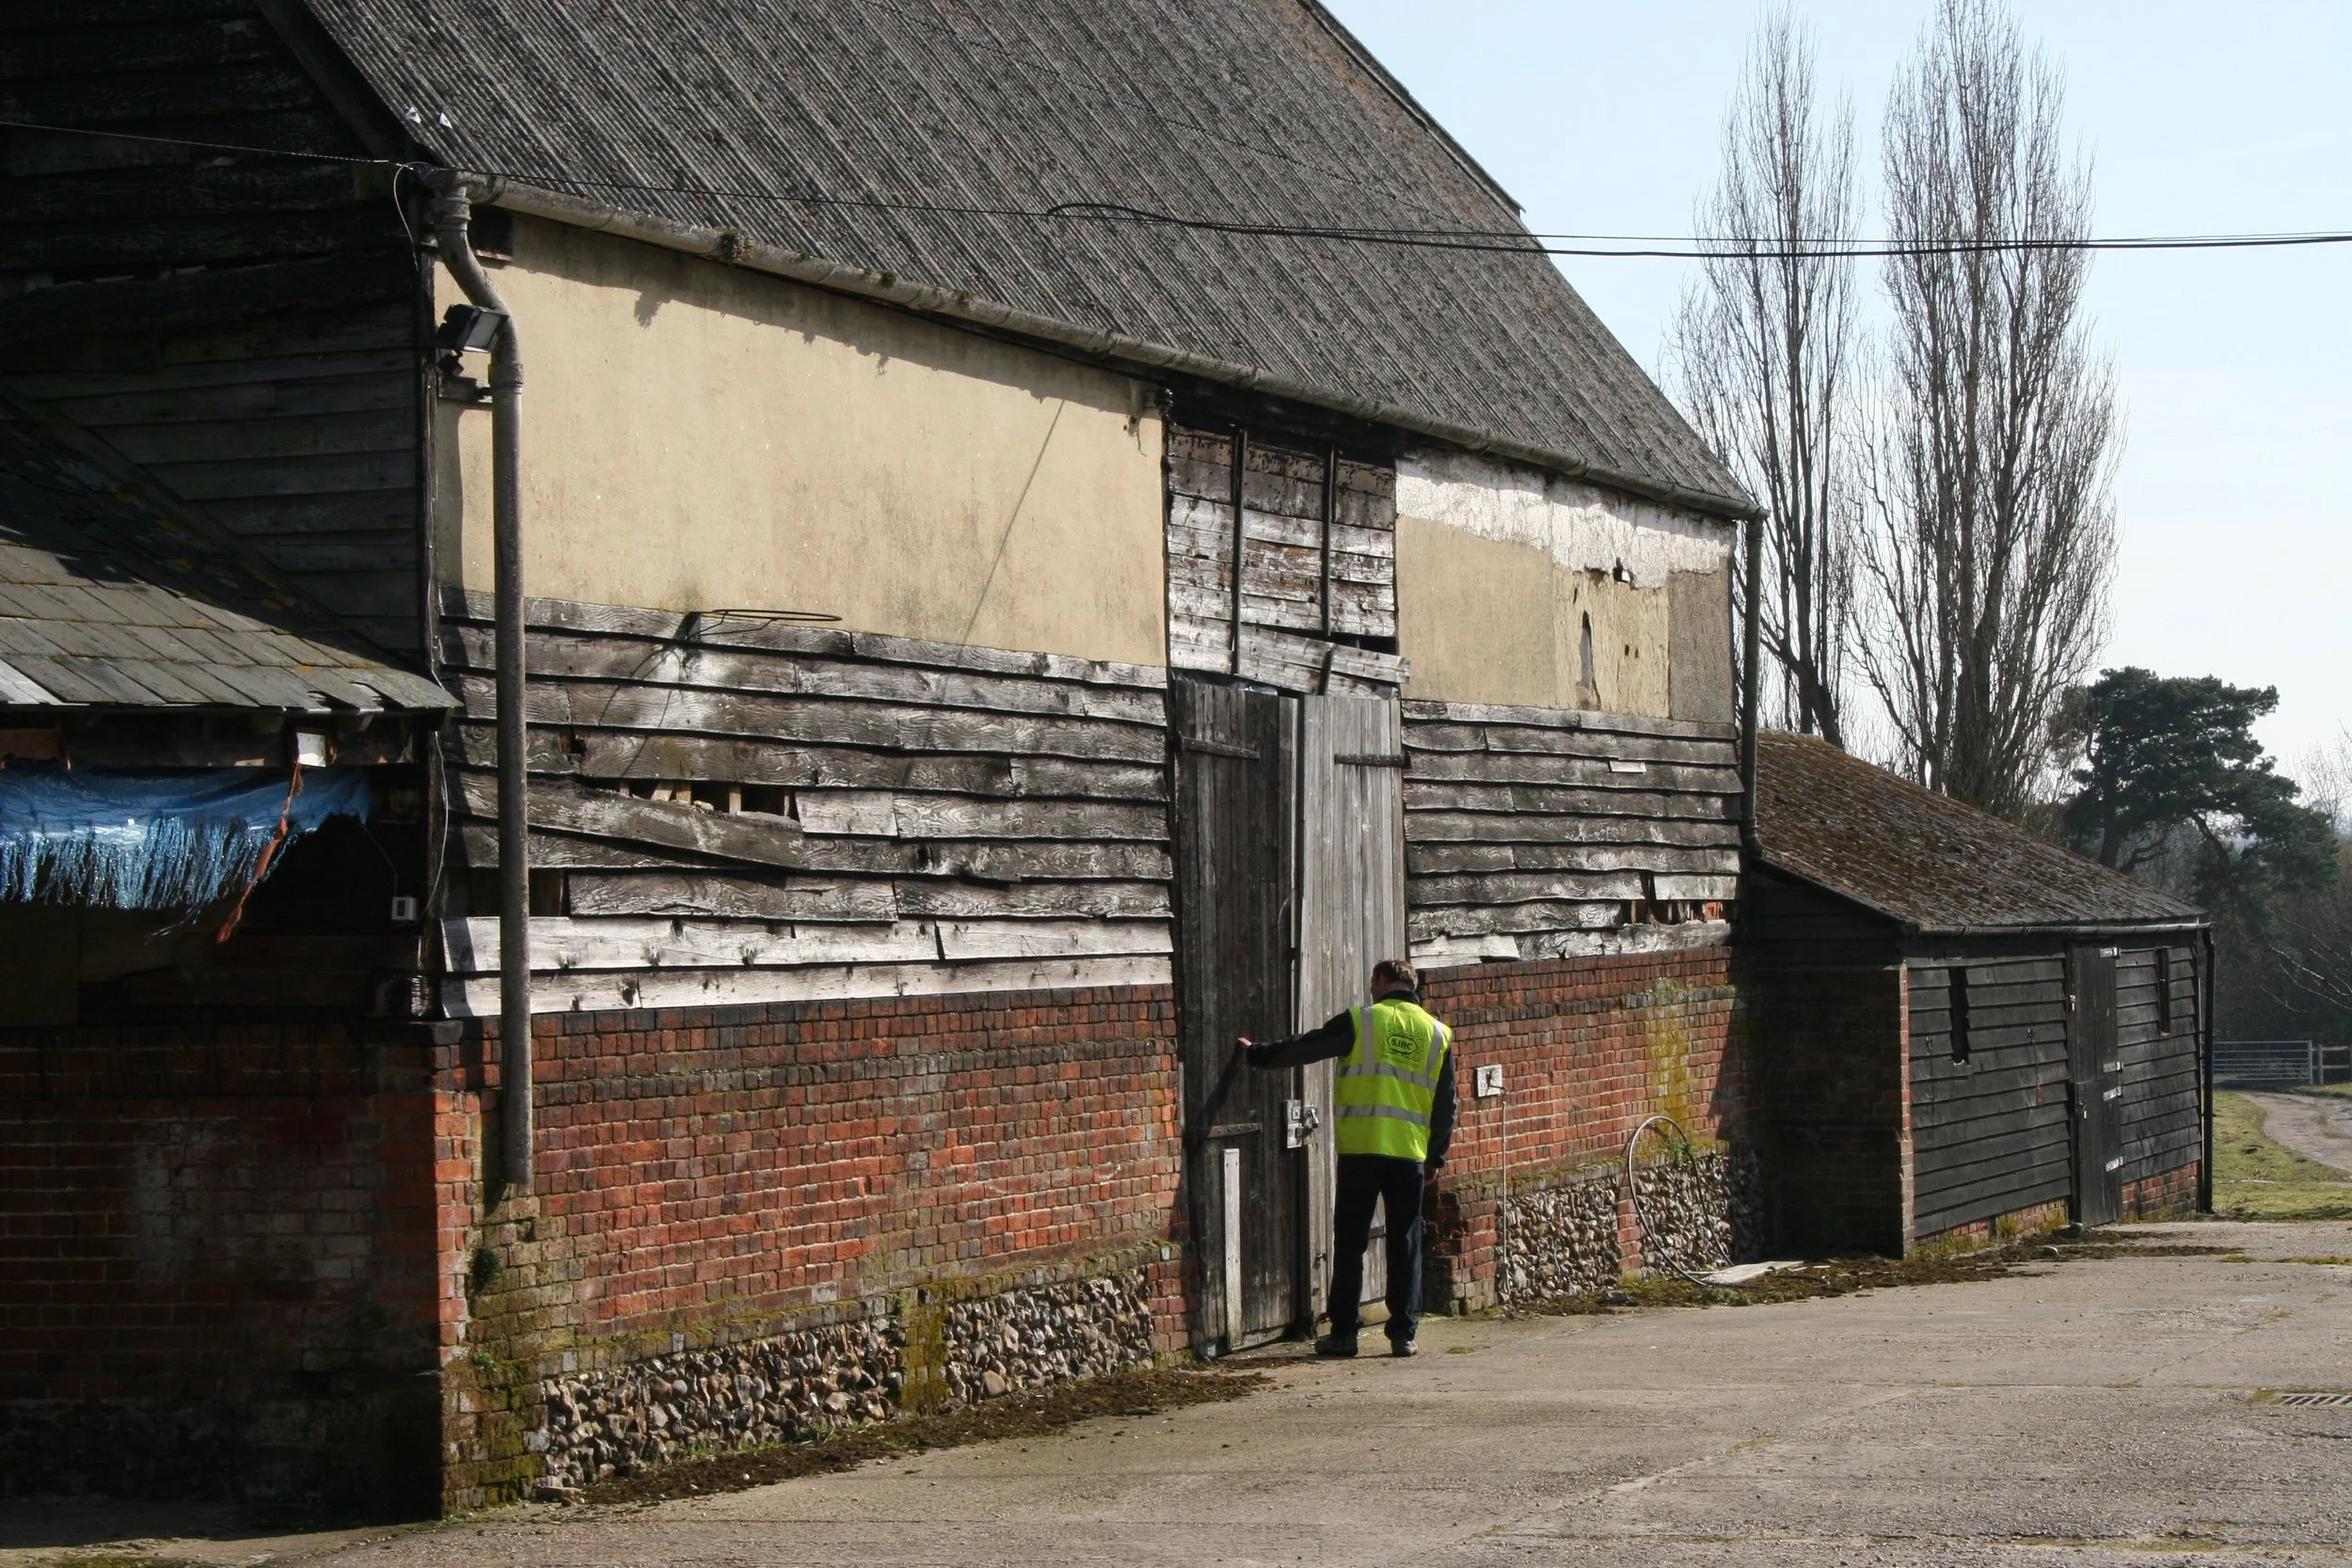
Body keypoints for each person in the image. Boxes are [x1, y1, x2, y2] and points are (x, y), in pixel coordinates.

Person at [1239, 958, 1455, 1358]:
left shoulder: (1361, 1021)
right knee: (1404, 1244)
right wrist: (1435, 1157)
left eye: (1372, 982)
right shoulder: (1438, 1033)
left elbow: (1309, 1045)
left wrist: (1259, 1055)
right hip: (1409, 1154)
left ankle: (1344, 1334)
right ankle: (1403, 1333)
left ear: (1380, 980)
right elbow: (1447, 1105)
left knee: (1351, 1243)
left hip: (1361, 1151)